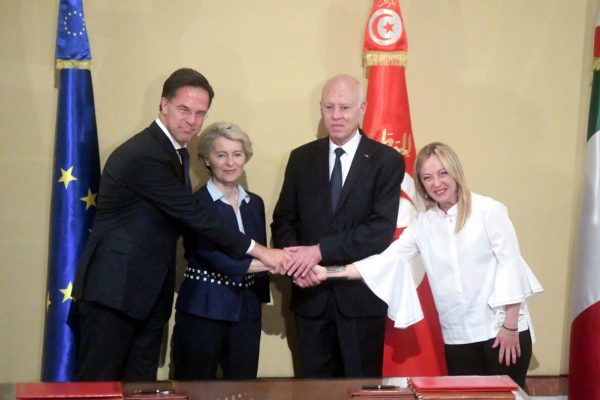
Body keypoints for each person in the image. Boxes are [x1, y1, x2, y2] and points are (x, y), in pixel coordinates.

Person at [72, 68, 287, 381]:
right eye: (184, 109)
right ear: (164, 105)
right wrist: (261, 252)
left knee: (139, 386)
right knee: (98, 386)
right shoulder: (145, 153)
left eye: (200, 113)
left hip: (145, 296)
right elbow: (194, 214)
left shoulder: (175, 152)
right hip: (114, 294)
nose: (192, 120)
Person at [301, 142, 543, 388]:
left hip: (501, 331)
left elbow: (511, 266)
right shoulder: (423, 224)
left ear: (456, 172)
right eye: (427, 178)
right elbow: (385, 262)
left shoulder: (489, 210)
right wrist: (326, 273)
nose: (436, 183)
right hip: (458, 337)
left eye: (442, 173)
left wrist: (510, 326)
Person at [271, 74, 405, 378]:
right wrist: (296, 266)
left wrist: (319, 251)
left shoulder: (386, 161)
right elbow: (283, 220)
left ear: (362, 108)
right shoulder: (301, 158)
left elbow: (379, 232)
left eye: (345, 107)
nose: (336, 116)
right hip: (309, 300)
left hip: (361, 301)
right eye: (329, 107)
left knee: (361, 390)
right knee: (313, 392)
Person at [172, 122, 271, 380]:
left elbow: (260, 251)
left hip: (246, 312)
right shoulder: (195, 204)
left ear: (245, 158)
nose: (230, 162)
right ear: (206, 159)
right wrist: (278, 262)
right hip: (204, 310)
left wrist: (276, 262)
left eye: (237, 154)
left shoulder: (255, 203)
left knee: (243, 389)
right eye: (221, 154)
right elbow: (211, 257)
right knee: (195, 388)